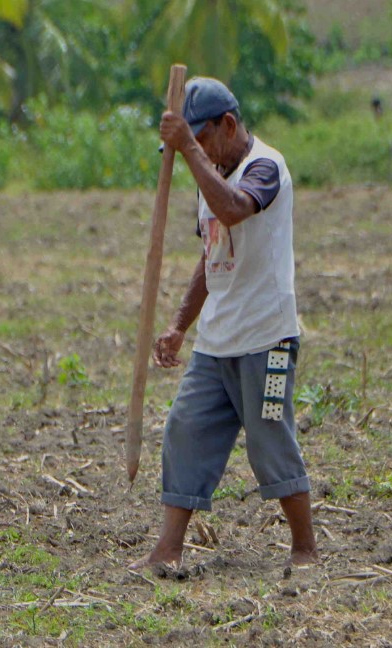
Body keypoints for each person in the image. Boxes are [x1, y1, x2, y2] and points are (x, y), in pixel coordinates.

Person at [129, 77, 318, 571]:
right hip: (216, 344)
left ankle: (304, 549)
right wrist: (179, 326)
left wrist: (188, 149)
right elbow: (210, 256)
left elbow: (233, 210)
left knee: (271, 437)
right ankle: (168, 549)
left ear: (228, 125)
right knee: (185, 430)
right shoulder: (209, 175)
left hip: (269, 339)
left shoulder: (266, 167)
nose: (203, 152)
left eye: (205, 138)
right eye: (196, 143)